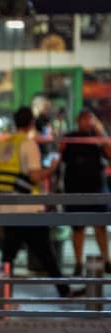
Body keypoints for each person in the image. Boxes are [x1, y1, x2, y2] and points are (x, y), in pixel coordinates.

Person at [0, 106, 76, 297]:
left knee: (8, 256)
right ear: (31, 123)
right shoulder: (28, 145)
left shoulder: (2, 145)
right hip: (28, 208)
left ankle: (3, 295)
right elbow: (35, 176)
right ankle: (64, 290)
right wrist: (53, 168)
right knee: (46, 253)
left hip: (6, 208)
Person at [58, 109, 111, 275]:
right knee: (77, 227)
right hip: (75, 187)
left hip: (96, 186)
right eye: (84, 119)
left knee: (100, 225)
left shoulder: (99, 138)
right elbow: (60, 157)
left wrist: (101, 132)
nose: (87, 122)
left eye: (90, 119)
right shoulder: (70, 137)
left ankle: (106, 260)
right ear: (78, 120)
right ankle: (78, 263)